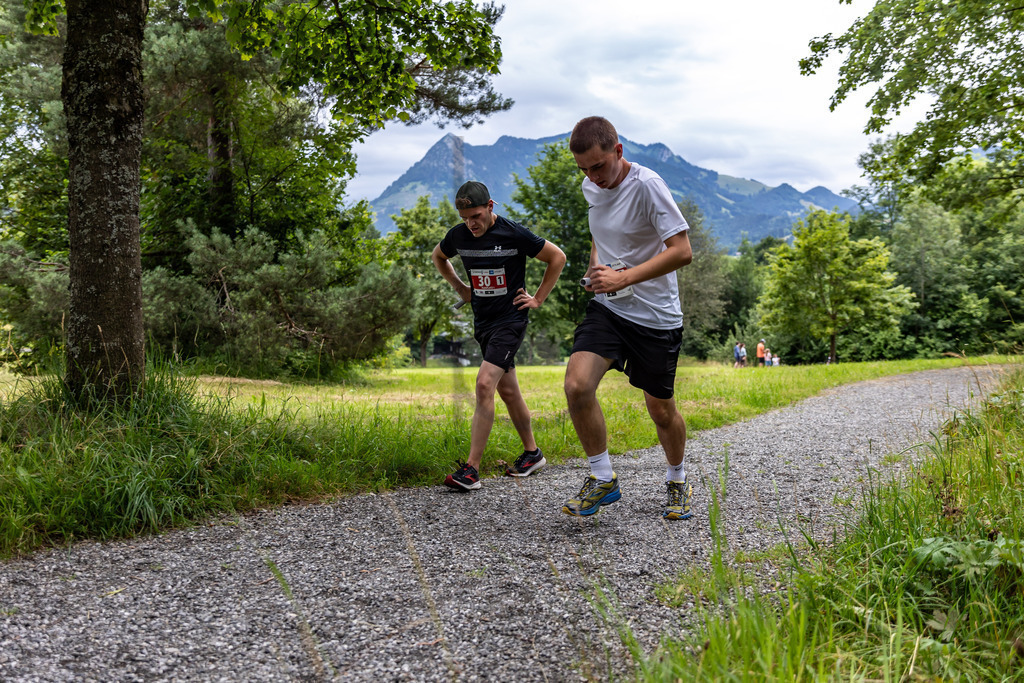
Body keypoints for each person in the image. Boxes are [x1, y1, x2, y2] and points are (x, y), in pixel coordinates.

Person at [561, 116, 694, 520]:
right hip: (610, 308)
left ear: (618, 151)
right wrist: (596, 270)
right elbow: (600, 235)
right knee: (577, 385)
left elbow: (682, 251)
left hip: (655, 317)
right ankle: (602, 477)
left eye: (598, 166)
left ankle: (677, 478)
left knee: (661, 411)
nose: (592, 177)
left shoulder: (647, 186)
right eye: (584, 169)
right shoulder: (591, 186)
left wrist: (623, 276)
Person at [432, 181, 566, 491]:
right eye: (465, 218)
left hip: (510, 321)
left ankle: (471, 470)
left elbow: (557, 257)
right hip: (484, 323)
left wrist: (538, 299)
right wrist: (461, 289)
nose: (471, 224)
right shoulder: (458, 236)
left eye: (476, 216)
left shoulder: (513, 233)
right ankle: (533, 454)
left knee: (484, 384)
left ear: (490, 206)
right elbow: (439, 256)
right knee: (508, 391)